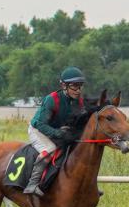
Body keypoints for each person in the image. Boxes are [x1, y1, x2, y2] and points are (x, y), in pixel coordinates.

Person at [23, 66, 88, 195]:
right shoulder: (52, 99)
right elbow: (40, 124)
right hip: (37, 130)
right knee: (50, 149)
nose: (78, 90)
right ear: (64, 85)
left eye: (80, 86)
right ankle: (32, 184)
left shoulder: (79, 101)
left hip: (57, 130)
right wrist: (58, 133)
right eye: (74, 86)